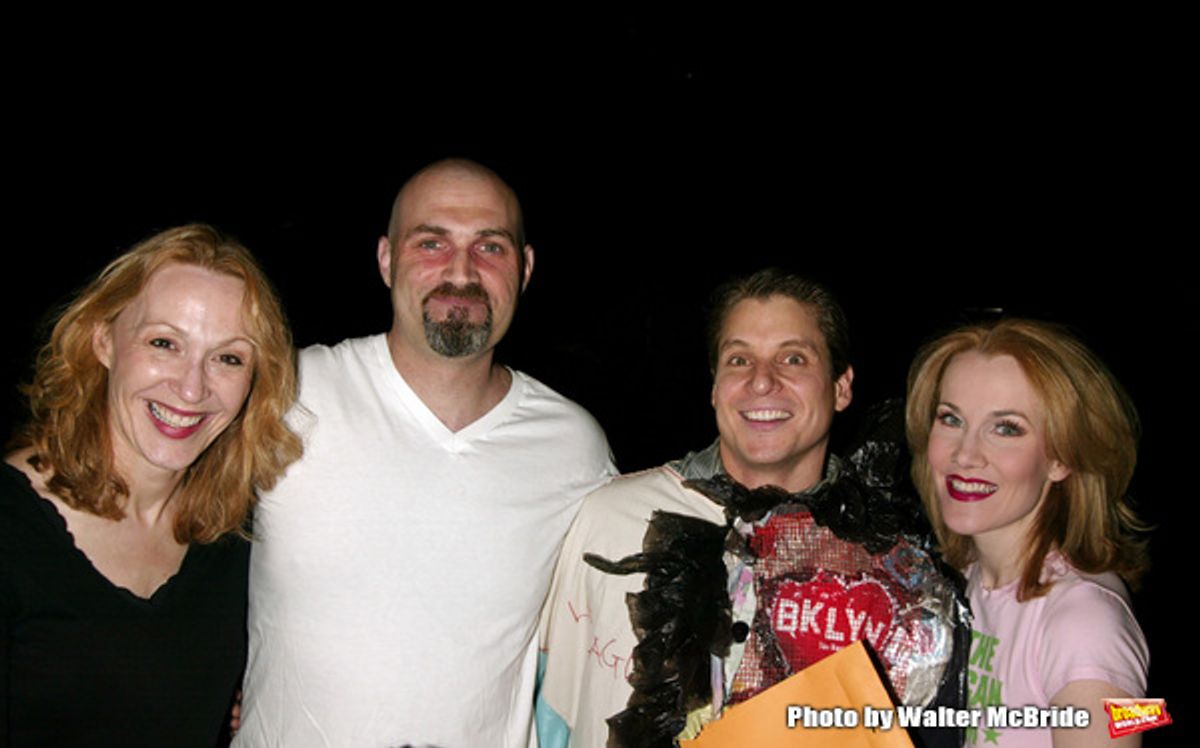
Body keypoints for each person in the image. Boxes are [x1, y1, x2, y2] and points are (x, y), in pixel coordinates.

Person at [236, 159, 614, 747]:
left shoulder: (571, 446)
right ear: (386, 259)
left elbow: (602, 633)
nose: (461, 271)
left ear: (526, 267)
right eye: (431, 242)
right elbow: (173, 529)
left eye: (490, 246)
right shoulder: (292, 393)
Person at [537, 269, 968, 748]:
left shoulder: (897, 565)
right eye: (739, 359)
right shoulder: (610, 519)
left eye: (793, 358)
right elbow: (551, 716)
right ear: (714, 387)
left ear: (841, 387)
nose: (762, 382)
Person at [0, 224, 302, 746]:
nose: (191, 387)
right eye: (164, 343)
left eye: (229, 357)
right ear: (103, 340)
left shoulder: (234, 532)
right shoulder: (10, 528)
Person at [905, 318, 1150, 747]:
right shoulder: (960, 583)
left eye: (1006, 428)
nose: (965, 454)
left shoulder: (1086, 621)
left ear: (1061, 457)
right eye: (951, 418)